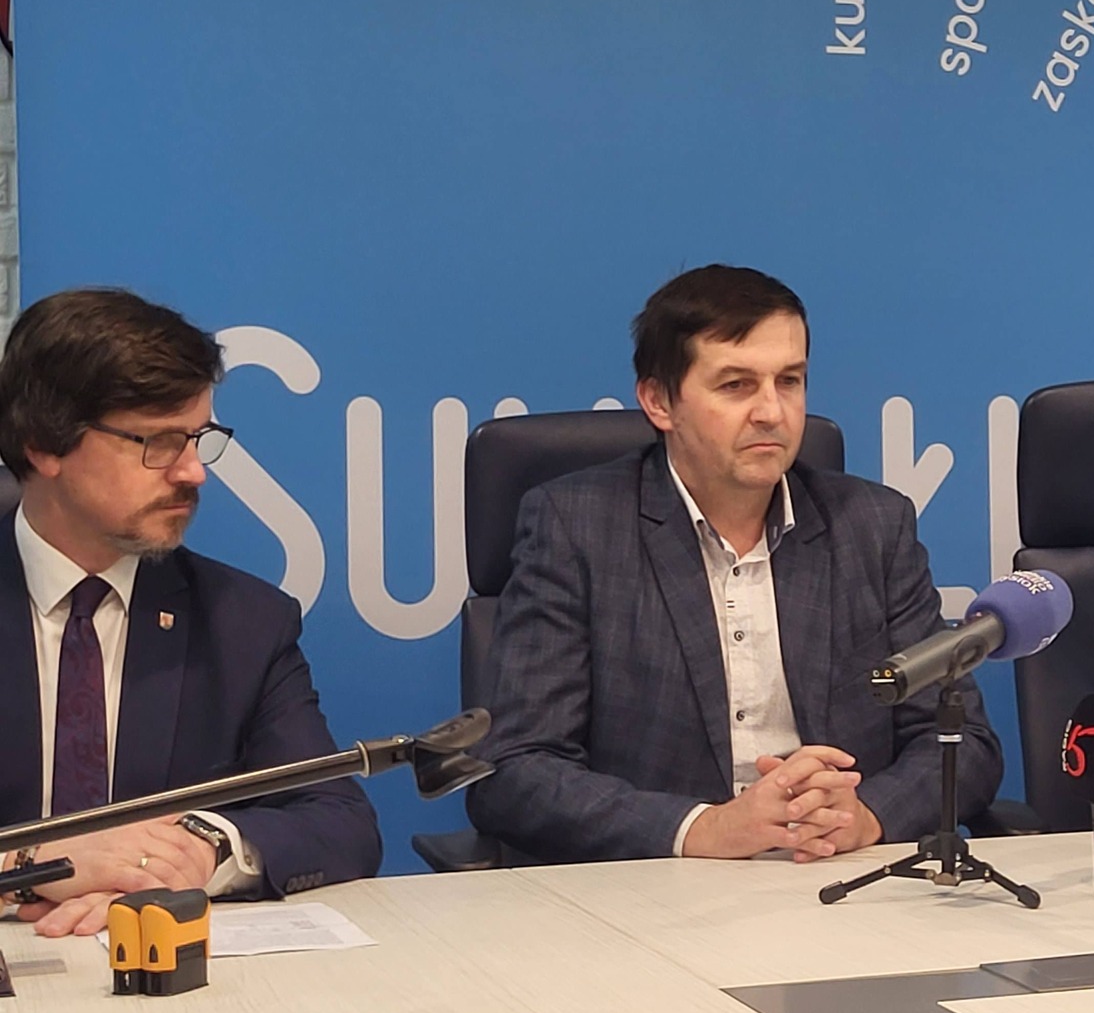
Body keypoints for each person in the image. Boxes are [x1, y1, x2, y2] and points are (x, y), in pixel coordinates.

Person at [467, 264, 1001, 864]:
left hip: (837, 874)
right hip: (662, 884)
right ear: (659, 401)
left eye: (789, 381)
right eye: (736, 385)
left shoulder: (872, 526)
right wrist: (705, 828)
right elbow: (515, 770)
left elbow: (963, 743)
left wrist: (869, 815)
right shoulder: (577, 527)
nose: (772, 411)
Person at [0, 288, 381, 937]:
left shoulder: (244, 622)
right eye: (159, 442)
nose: (193, 472)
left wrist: (200, 851)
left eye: (199, 439)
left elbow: (340, 819)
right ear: (44, 444)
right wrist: (29, 864)